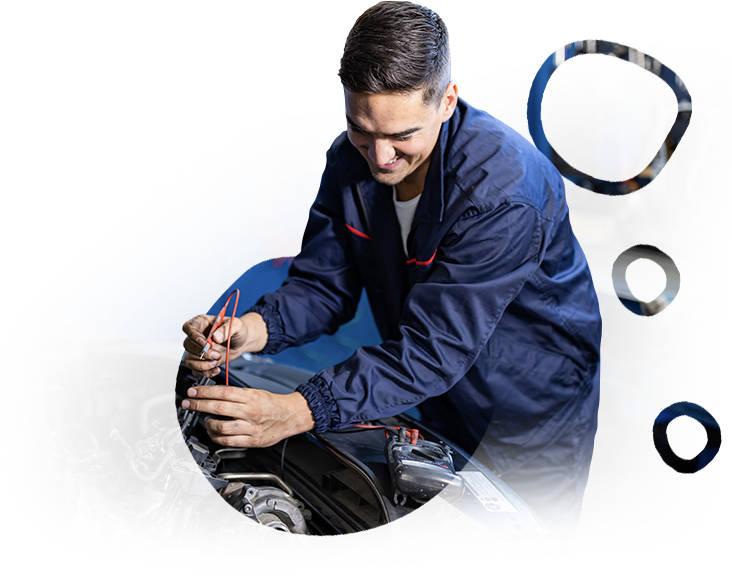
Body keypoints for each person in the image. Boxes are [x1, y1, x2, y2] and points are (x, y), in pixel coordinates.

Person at [181, 0, 602, 545]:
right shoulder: (349, 159)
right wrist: (251, 331)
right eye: (361, 129)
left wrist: (300, 409)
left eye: (402, 135)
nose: (380, 157)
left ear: (447, 100)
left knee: (525, 552)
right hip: (438, 395)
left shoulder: (503, 193)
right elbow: (323, 285)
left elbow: (432, 348)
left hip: (528, 411)